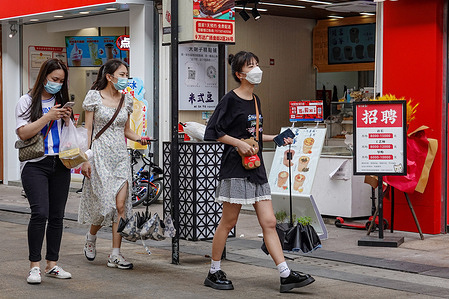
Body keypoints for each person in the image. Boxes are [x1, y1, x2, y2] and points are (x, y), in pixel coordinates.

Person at [203, 51, 315, 293]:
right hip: (235, 167)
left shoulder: (256, 100)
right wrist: (237, 143)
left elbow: (253, 135)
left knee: (269, 222)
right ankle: (214, 271)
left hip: (256, 168)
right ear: (239, 74)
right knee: (229, 221)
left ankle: (285, 274)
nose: (256, 69)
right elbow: (213, 131)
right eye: (250, 66)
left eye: (256, 64)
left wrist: (275, 138)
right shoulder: (229, 100)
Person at [78, 59, 149, 270]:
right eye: (122, 74)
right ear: (109, 77)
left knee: (120, 206)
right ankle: (91, 237)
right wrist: (85, 159)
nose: (125, 78)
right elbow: (88, 129)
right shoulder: (93, 97)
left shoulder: (126, 100)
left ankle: (115, 254)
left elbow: (125, 130)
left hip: (120, 156)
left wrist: (140, 137)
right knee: (104, 205)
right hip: (99, 155)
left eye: (126, 74)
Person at [15, 58, 73, 284]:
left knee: (57, 216)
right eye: (54, 79)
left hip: (60, 163)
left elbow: (67, 134)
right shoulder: (26, 101)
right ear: (43, 77)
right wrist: (47, 117)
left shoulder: (61, 100)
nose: (57, 84)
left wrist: (67, 119)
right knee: (40, 213)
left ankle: (52, 264)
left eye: (61, 80)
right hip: (34, 164)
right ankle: (34, 266)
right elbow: (23, 133)